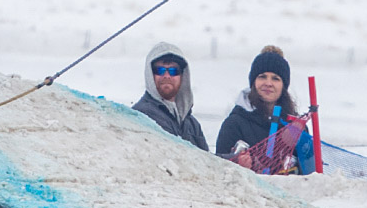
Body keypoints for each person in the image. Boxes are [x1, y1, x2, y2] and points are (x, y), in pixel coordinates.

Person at [215, 46, 314, 174]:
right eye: (262, 76)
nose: (268, 83)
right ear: (253, 82)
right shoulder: (234, 123)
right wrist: (237, 163)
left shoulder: (296, 127)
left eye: (275, 78)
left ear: (284, 85)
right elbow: (217, 170)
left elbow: (310, 177)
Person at [132, 43, 207, 150]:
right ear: (150, 74)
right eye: (160, 70)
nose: (167, 76)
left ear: (183, 76)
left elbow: (208, 161)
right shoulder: (141, 116)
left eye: (173, 71)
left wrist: (233, 158)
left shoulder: (192, 123)